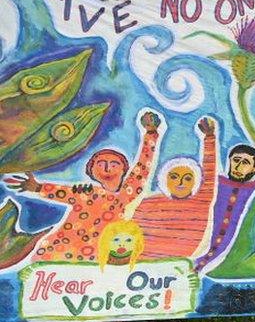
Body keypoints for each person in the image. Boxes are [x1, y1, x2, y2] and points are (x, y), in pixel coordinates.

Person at [3, 110, 162, 263]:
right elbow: (62, 192)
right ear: (92, 171)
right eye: (101, 163)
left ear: (124, 170)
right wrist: (36, 187)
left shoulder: (126, 195)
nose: (107, 168)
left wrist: (151, 134)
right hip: (59, 251)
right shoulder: (86, 193)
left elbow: (142, 169)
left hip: (96, 257)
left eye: (114, 164)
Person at [131, 117, 219, 259]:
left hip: (177, 266)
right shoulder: (148, 204)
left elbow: (209, 172)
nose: (181, 182)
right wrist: (151, 134)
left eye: (188, 178)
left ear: (196, 182)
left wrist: (209, 138)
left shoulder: (200, 202)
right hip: (143, 263)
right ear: (164, 180)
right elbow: (130, 234)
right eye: (174, 177)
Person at [193, 143, 255, 272]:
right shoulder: (217, 184)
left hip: (229, 261)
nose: (238, 166)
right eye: (236, 160)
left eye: (245, 163)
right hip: (198, 253)